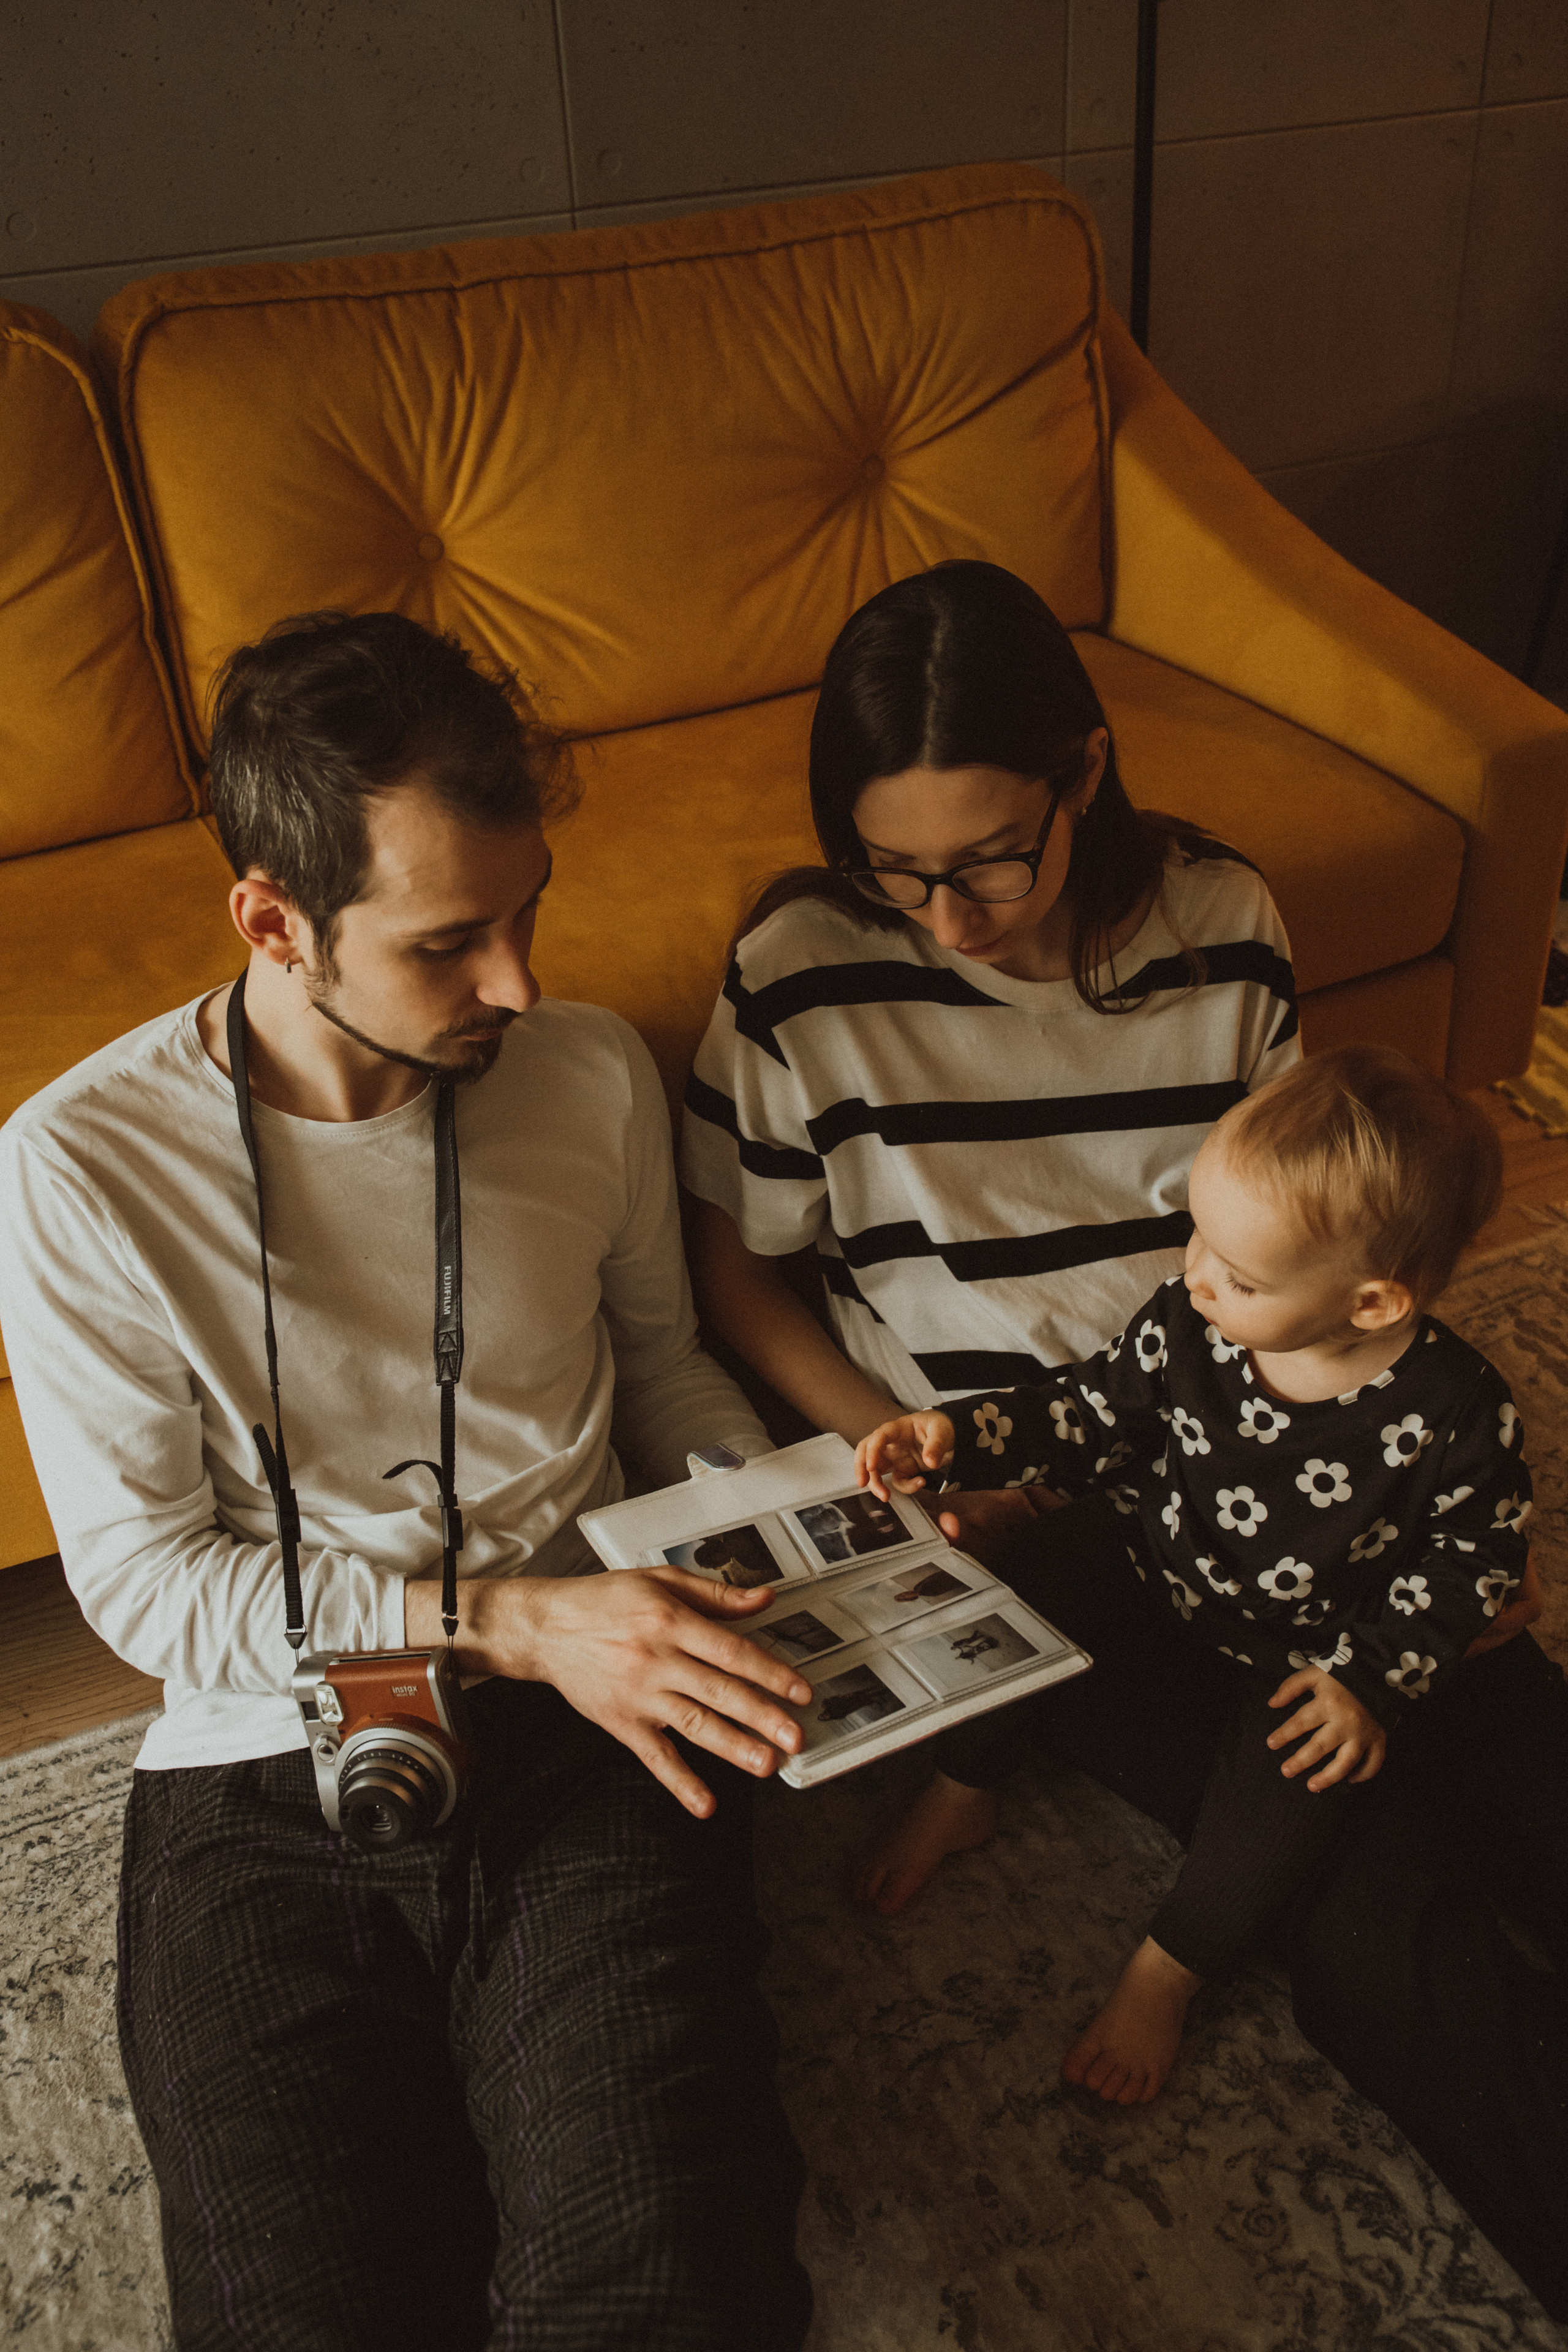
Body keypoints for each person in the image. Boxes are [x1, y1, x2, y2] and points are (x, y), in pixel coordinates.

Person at [679, 559, 1568, 2319]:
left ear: (1083, 772)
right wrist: (912, 1444)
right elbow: (737, 1269)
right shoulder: (799, 971)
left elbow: (1297, 1231)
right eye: (891, 869)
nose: (946, 917)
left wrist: (1433, 1582)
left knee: (1512, 1751)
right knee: (1366, 1902)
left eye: (990, 858)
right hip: (1057, 1523)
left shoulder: (1222, 922)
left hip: (1263, 1457)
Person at [0, 612, 813, 2352]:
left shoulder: (584, 1071)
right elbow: (147, 1588)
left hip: (589, 1734)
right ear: (275, 924)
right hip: (258, 1763)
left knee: (673, 2285)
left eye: (528, 913)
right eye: (450, 942)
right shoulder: (77, 1168)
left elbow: (666, 1373)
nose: (517, 983)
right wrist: (518, 1622)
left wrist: (780, 1520)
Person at [856, 1047, 1531, 2101]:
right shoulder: (1189, 1320)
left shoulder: (1455, 1411)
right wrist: (962, 1437)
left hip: (1309, 1650)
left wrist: (1373, 1678)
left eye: (1241, 1276)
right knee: (1025, 1571)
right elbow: (1087, 1414)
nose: (1198, 1275)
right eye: (1198, 1236)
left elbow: (1475, 1561)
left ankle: (1169, 1969)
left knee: (1307, 1784)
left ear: (1371, 1304)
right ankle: (965, 1779)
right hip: (1155, 1559)